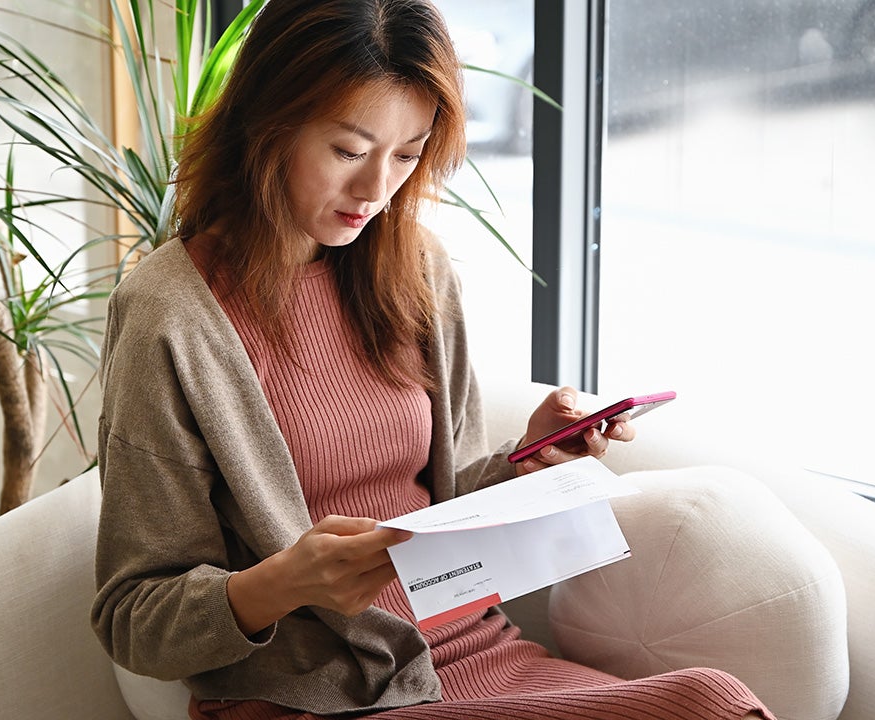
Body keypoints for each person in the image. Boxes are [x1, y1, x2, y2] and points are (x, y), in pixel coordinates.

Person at [93, 1, 774, 718]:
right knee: (709, 704)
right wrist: (285, 582)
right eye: (348, 150)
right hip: (312, 699)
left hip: (477, 655)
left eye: (408, 154)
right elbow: (133, 618)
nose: (375, 190)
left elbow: (437, 507)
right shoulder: (169, 313)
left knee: (712, 700)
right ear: (268, 124)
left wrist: (529, 460)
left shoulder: (414, 267)